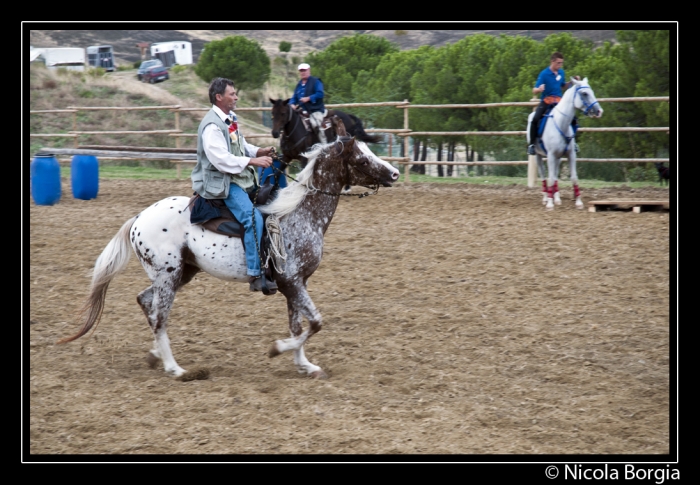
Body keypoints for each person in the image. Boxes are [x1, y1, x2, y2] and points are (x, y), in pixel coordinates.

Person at [191, 77, 276, 292]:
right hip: (221, 181)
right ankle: (255, 274)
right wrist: (253, 161)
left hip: (236, 176)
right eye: (232, 94)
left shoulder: (229, 118)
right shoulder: (212, 126)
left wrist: (259, 151)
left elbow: (241, 145)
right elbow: (220, 159)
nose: (236, 97)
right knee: (252, 217)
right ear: (219, 97)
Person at [528, 51, 580, 155]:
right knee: (535, 119)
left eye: (561, 63)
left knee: (574, 120)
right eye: (558, 63)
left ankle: (572, 142)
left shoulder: (561, 73)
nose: (560, 65)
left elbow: (562, 85)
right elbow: (534, 90)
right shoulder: (544, 74)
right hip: (547, 100)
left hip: (560, 101)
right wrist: (539, 89)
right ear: (552, 62)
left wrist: (572, 82)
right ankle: (532, 144)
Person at [288, 62, 328, 144]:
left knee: (316, 124)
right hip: (302, 111)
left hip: (315, 110)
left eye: (304, 70)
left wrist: (309, 98)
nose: (303, 72)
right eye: (301, 71)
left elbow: (320, 94)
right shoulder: (299, 85)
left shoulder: (316, 81)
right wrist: (292, 104)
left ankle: (325, 146)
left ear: (309, 70)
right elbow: (294, 97)